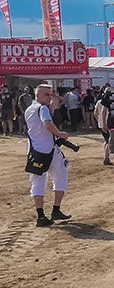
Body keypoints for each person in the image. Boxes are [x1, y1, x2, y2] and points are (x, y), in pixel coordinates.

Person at [24, 84, 72, 227]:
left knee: (38, 182)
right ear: (38, 95)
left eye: (50, 94)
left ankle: (41, 215)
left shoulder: (29, 109)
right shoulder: (42, 108)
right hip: (49, 151)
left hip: (34, 151)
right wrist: (60, 134)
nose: (49, 97)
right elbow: (47, 124)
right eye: (46, 94)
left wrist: (53, 101)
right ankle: (56, 209)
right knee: (61, 175)